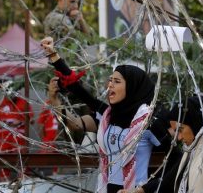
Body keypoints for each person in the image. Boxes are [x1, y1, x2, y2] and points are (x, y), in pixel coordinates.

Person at [41, 36, 171, 193]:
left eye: (117, 81)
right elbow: (79, 101)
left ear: (132, 87)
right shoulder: (108, 115)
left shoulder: (149, 122)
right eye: (110, 80)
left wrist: (145, 189)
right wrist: (54, 57)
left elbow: (175, 160)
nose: (110, 85)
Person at [0, 83, 34, 181]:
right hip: (5, 142)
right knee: (5, 166)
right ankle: (3, 186)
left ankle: (24, 184)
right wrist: (5, 124)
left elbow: (32, 120)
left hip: (20, 142)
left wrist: (20, 122)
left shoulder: (24, 103)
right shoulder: (2, 103)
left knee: (22, 164)